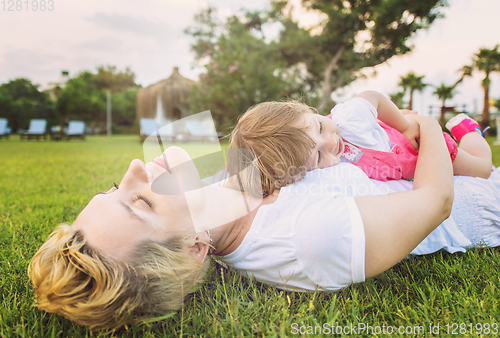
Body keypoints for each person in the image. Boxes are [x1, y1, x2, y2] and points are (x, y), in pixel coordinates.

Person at [28, 113, 500, 330]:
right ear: (194, 248)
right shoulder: (308, 239)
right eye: (141, 203)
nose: (133, 169)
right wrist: (430, 125)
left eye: (114, 189)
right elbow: (436, 199)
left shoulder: (227, 184)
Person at [230, 91, 492, 197]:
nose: (332, 142)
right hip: (406, 167)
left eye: (321, 127)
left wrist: (404, 125)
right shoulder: (322, 175)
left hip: (422, 145)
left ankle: (470, 132)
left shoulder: (348, 119)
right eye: (319, 156)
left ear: (306, 110)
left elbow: (373, 97)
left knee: (481, 169)